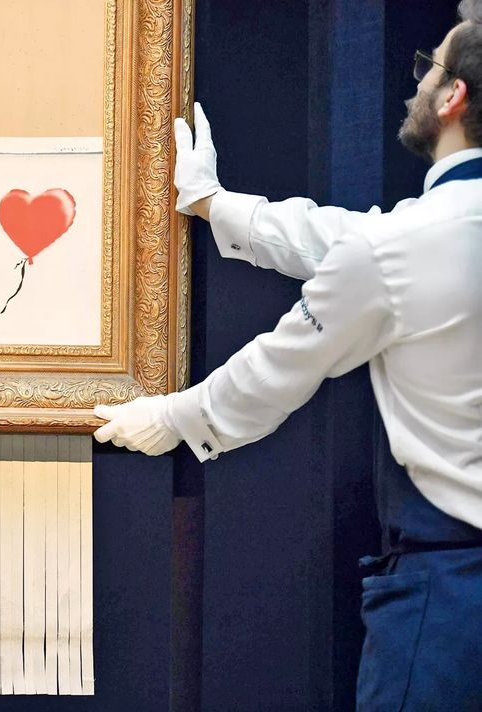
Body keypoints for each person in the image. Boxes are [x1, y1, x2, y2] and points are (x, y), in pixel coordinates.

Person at [95, 1, 482, 708]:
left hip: (453, 601)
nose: (417, 81)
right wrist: (213, 204)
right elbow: (347, 243)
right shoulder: (406, 238)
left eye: (428, 68)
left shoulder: (397, 247)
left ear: (452, 95)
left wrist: (175, 416)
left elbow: (280, 365)